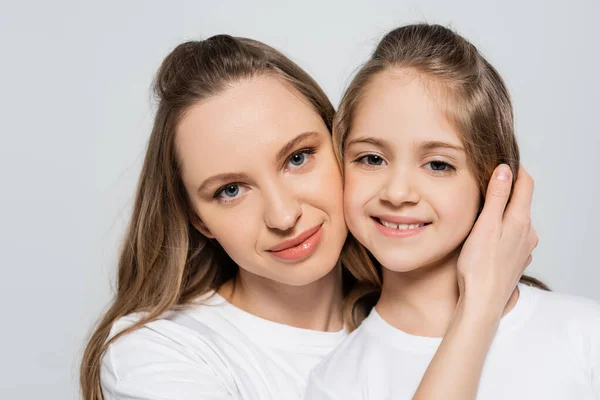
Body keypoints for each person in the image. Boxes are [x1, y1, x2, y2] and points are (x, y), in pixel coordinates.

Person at [81, 34, 539, 400]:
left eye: (298, 158)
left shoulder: (421, 315)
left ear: (344, 146)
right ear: (198, 220)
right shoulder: (159, 353)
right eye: (231, 190)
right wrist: (478, 308)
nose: (283, 215)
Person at [304, 23, 600, 400]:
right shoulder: (337, 383)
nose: (397, 192)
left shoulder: (585, 334)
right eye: (372, 158)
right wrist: (478, 310)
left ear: (491, 181)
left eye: (438, 165)